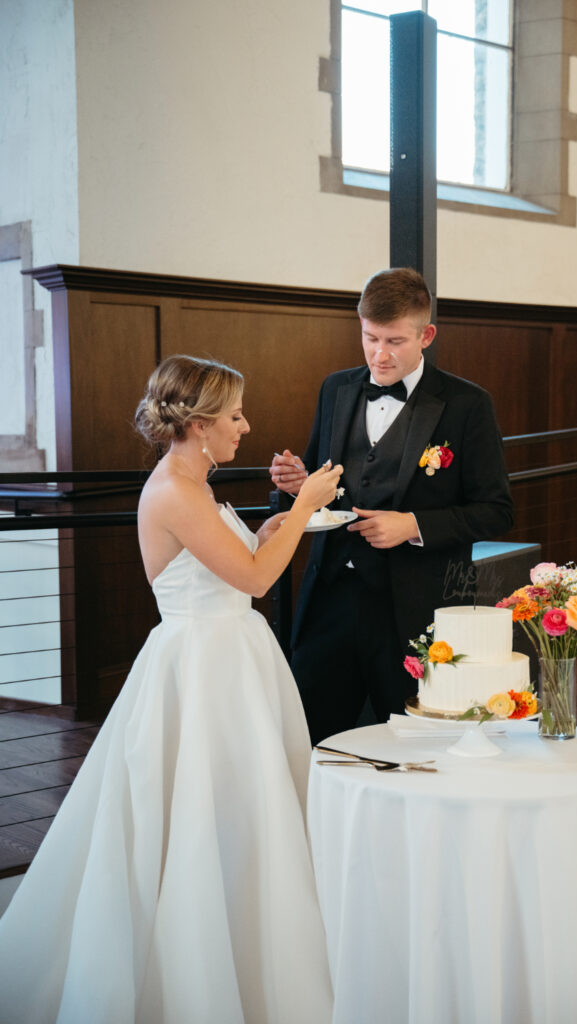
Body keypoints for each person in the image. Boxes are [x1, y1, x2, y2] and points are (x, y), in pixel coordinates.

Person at [0, 355, 341, 1024]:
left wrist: (268, 527)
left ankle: (249, 938)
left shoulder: (193, 482)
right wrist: (302, 507)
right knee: (198, 810)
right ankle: (198, 959)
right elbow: (255, 582)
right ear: (202, 422)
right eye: (235, 414)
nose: (245, 426)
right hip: (203, 669)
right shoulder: (175, 491)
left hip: (231, 656)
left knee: (245, 807)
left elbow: (231, 561)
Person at [271, 268, 514, 745]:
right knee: (313, 740)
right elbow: (331, 485)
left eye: (395, 341)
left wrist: (414, 524)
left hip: (414, 611)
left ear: (426, 335)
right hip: (329, 602)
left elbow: (497, 510)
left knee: (413, 747)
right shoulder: (335, 389)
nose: (379, 355)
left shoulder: (467, 405)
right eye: (369, 338)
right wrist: (301, 485)